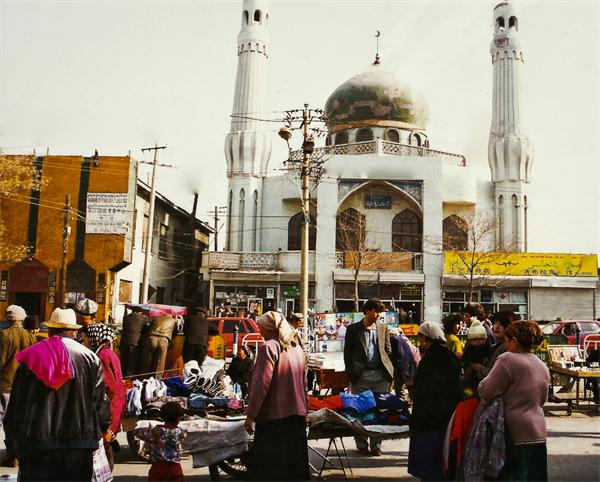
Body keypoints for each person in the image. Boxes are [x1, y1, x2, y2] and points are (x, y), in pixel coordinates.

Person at [4, 307, 111, 481]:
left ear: (51, 329)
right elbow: (101, 404)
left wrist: (12, 441)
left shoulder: (32, 356)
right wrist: (105, 428)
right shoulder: (90, 357)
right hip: (79, 444)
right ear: (74, 331)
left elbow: (17, 403)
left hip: (37, 443)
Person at [478, 320, 550, 481]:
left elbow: (486, 391)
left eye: (506, 340)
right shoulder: (541, 365)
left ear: (514, 341)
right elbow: (542, 399)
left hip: (512, 432)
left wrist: (482, 381)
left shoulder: (507, 359)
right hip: (538, 431)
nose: (505, 344)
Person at [245, 311, 309, 480]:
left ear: (269, 329)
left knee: (271, 470)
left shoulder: (269, 348)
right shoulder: (297, 349)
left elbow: (260, 385)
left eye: (260, 328)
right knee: (293, 469)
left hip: (274, 418)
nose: (259, 332)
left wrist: (251, 415)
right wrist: (306, 411)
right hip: (296, 417)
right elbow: (304, 385)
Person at [408, 321, 462, 481]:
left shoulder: (433, 356)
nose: (419, 339)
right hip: (445, 412)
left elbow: (429, 386)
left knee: (430, 452)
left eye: (421, 336)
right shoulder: (445, 354)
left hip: (431, 414)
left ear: (426, 337)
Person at [343, 298, 394, 456]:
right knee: (361, 411)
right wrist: (351, 373)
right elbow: (347, 354)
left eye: (380, 311)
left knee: (379, 410)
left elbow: (388, 350)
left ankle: (376, 445)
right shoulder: (353, 329)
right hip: (361, 375)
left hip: (380, 375)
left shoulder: (383, 328)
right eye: (375, 310)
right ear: (367, 310)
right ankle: (361, 444)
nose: (378, 314)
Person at [81, 323, 126, 470]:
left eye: (85, 339)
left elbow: (108, 390)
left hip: (107, 412)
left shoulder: (102, 356)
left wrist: (108, 422)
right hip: (110, 410)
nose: (84, 343)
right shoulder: (106, 353)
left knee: (103, 456)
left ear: (95, 338)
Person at [0, 305, 37, 467]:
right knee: (20, 420)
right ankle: (19, 453)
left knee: (5, 421)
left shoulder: (3, 335)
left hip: (5, 385)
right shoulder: (30, 336)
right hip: (25, 387)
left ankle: (10, 454)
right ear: (22, 318)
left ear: (8, 318)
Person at [135, 401, 186, 482]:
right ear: (178, 418)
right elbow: (182, 437)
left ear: (162, 416)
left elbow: (139, 433)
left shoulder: (156, 431)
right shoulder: (180, 432)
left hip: (159, 466)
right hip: (175, 466)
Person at [140, 314, 177, 379]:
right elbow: (175, 332)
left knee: (147, 361)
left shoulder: (155, 317)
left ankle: (144, 379)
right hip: (164, 340)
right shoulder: (173, 320)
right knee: (159, 364)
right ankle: (157, 380)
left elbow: (147, 327)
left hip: (151, 339)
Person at [462, 319, 492, 396]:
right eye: (474, 340)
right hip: (471, 382)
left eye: (481, 339)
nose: (478, 341)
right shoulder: (469, 350)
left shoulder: (489, 349)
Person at [120, 306, 149, 376]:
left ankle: (122, 376)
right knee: (131, 361)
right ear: (140, 312)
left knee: (124, 360)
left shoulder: (125, 317)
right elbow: (149, 325)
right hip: (134, 342)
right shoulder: (143, 318)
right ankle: (129, 378)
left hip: (124, 341)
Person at [388, 327, 417, 399]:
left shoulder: (393, 339)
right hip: (407, 368)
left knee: (400, 390)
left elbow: (397, 355)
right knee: (403, 389)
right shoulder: (402, 340)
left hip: (401, 369)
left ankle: (403, 407)